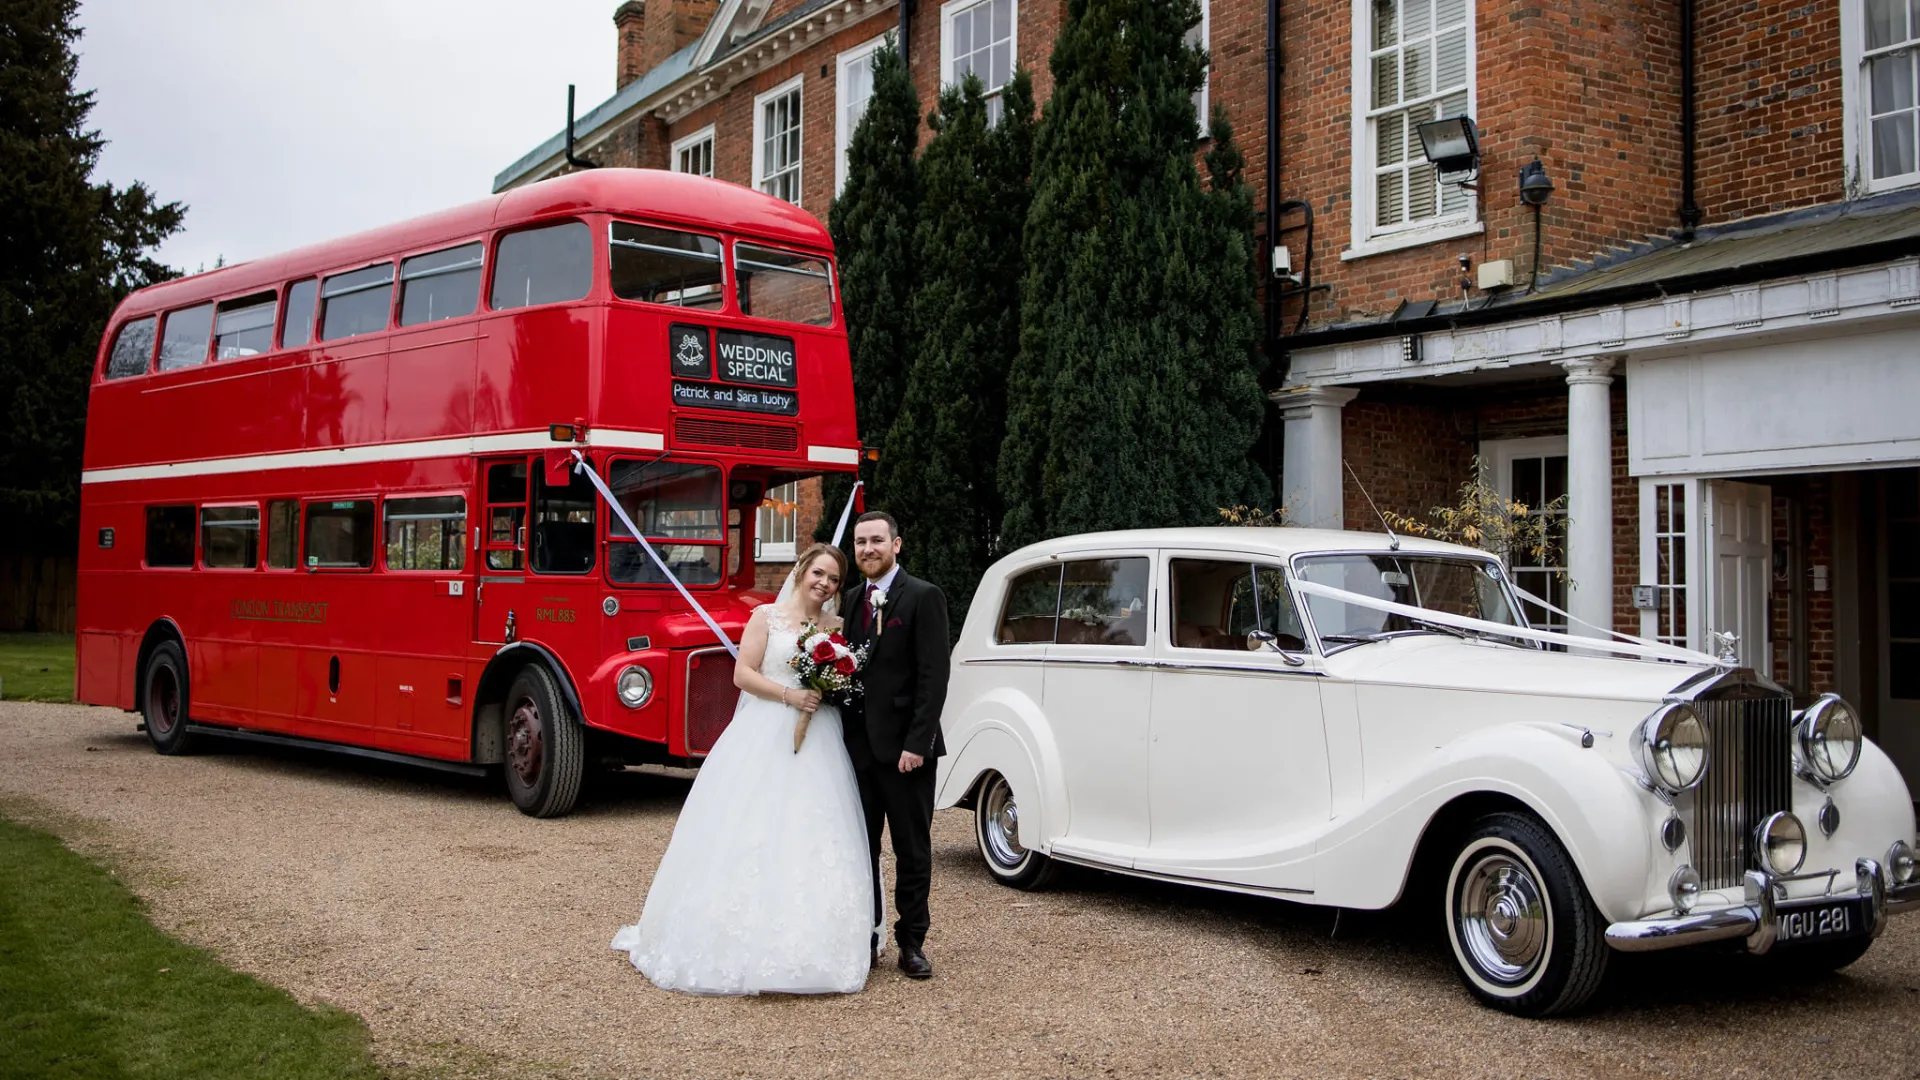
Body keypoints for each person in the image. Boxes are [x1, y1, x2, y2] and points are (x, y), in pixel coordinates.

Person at [611, 543, 870, 995]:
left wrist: (825, 687)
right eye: (819, 573)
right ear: (801, 570)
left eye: (833, 579)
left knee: (814, 828)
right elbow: (742, 674)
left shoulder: (837, 628)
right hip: (766, 728)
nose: (825, 583)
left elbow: (843, 681)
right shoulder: (765, 617)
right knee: (750, 825)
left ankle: (815, 941)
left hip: (820, 736)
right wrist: (791, 696)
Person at [842, 511, 949, 980]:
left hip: (907, 753)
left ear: (897, 545)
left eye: (877, 541)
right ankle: (864, 937)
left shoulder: (924, 597)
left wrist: (918, 743)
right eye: (861, 542)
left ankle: (912, 943)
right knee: (858, 850)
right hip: (856, 752)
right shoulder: (846, 601)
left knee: (911, 849)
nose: (868, 549)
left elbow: (934, 676)